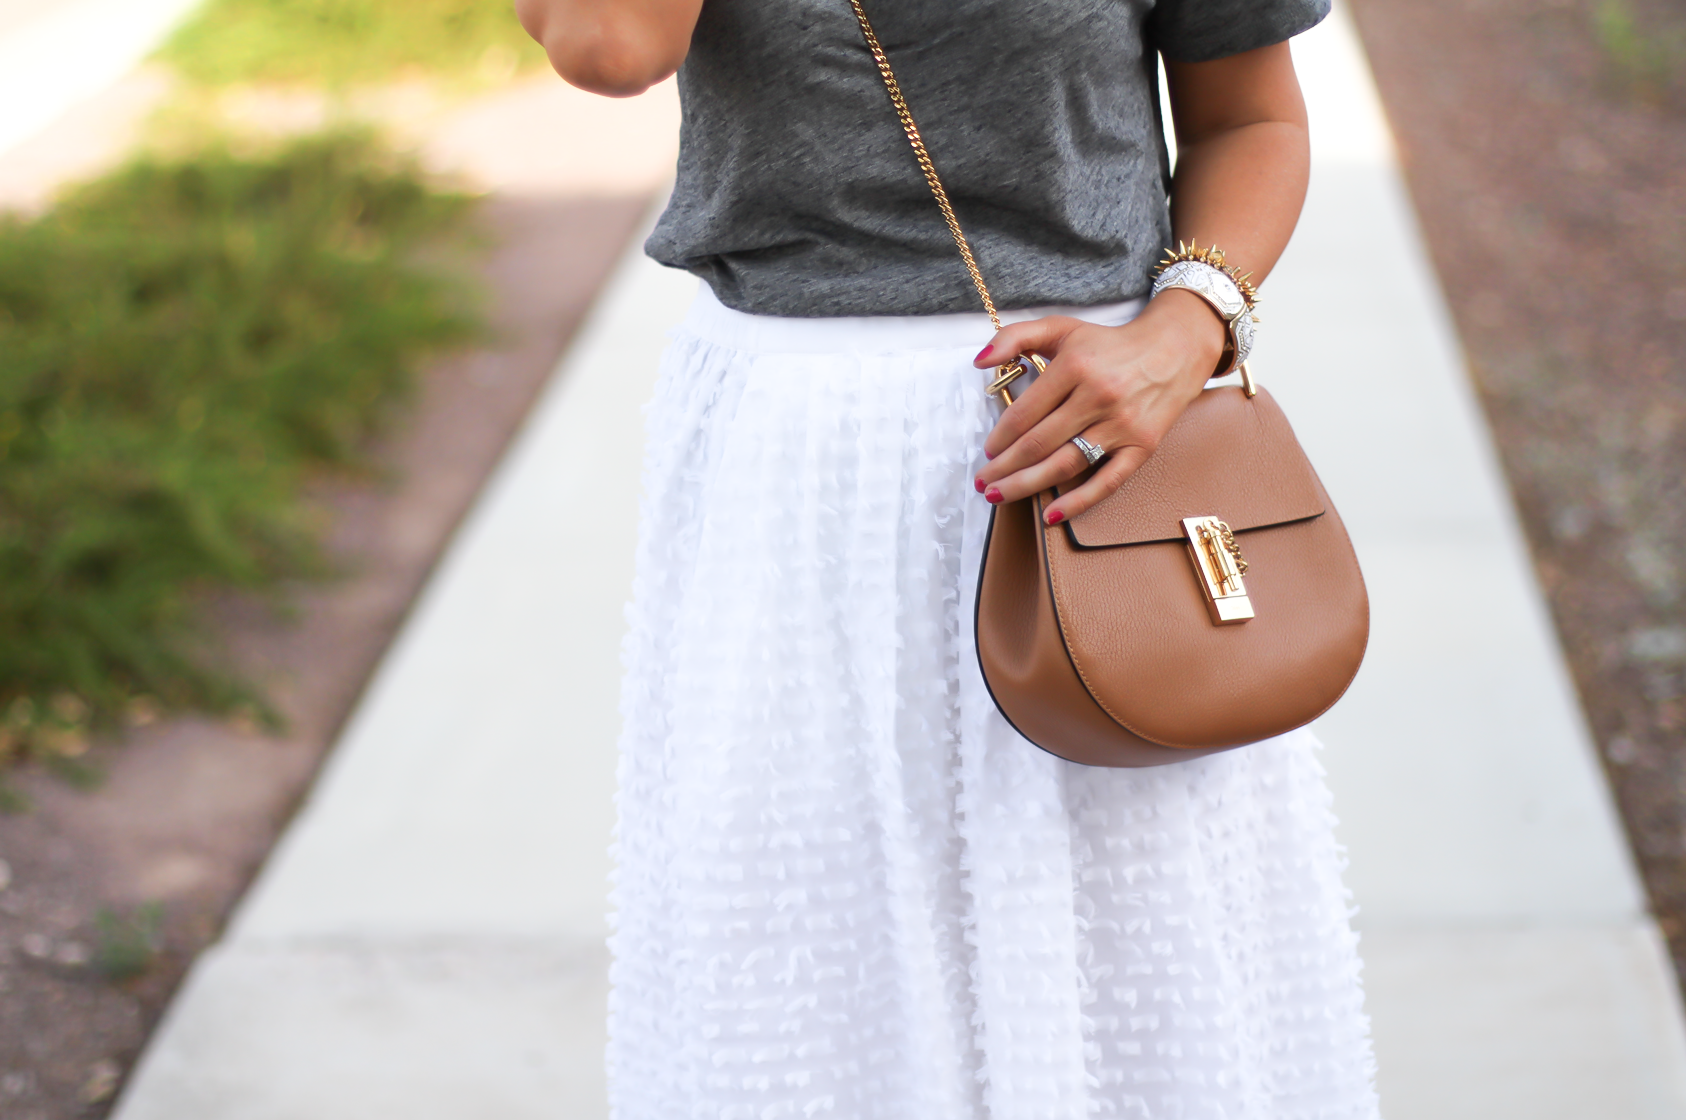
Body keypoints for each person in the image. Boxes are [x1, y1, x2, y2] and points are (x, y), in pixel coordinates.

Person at [517, 1, 1379, 1116]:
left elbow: (1252, 118)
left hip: (1101, 440)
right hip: (796, 453)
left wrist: (1187, 330)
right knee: (811, 934)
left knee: (1127, 934)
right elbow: (612, 46)